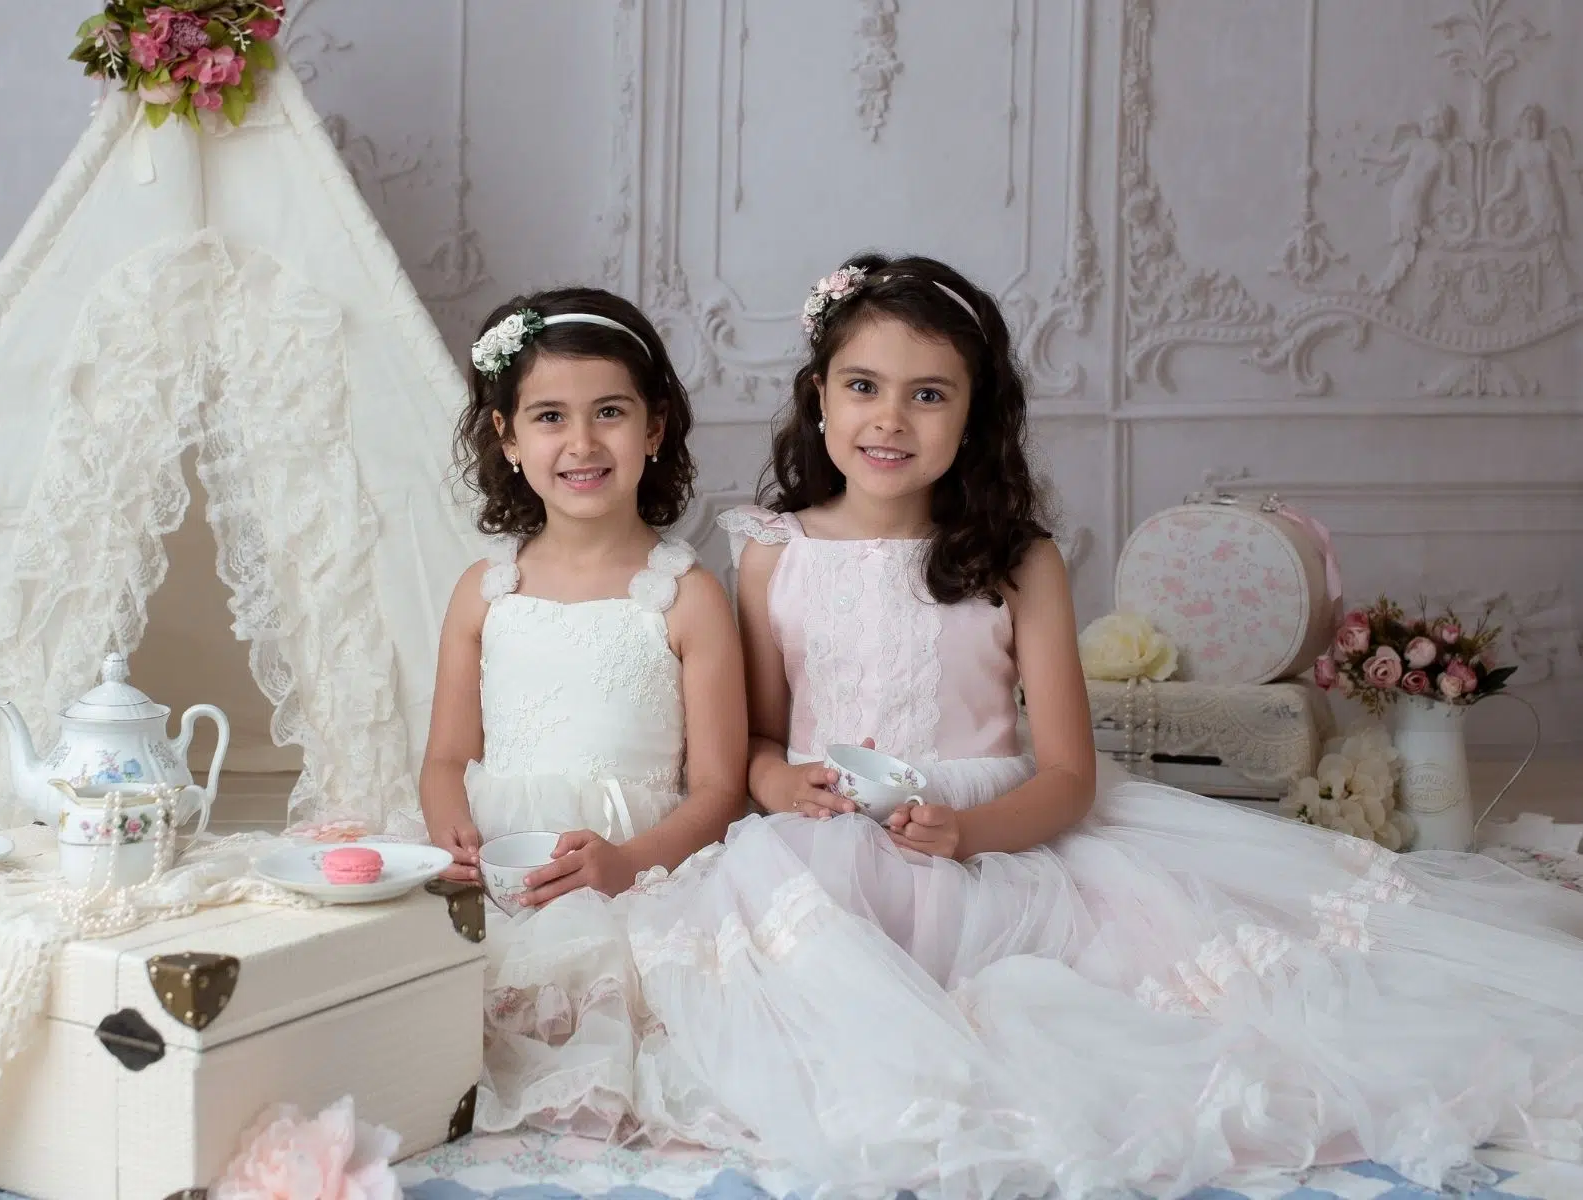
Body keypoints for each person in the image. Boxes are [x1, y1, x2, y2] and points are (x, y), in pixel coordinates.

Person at [616, 252, 1583, 1198]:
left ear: (974, 416)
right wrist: (783, 782)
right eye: (863, 386)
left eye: (929, 395)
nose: (890, 419)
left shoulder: (1016, 560)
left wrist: (967, 833)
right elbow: (758, 740)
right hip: (824, 835)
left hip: (998, 838)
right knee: (797, 999)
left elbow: (1069, 777)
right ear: (819, 396)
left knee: (1170, 1010)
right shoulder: (771, 553)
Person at [416, 287, 748, 1143]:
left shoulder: (687, 596)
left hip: (636, 868)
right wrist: (453, 834)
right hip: (499, 864)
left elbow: (721, 789)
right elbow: (447, 757)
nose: (582, 443)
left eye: (609, 412)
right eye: (550, 417)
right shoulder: (485, 591)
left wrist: (628, 864)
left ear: (655, 427)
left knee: (617, 1015)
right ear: (507, 436)